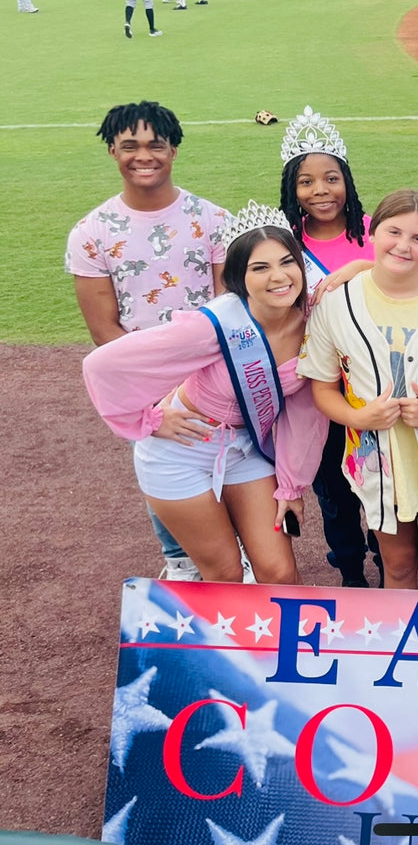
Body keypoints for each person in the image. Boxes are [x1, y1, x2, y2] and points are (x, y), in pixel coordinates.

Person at [83, 202, 327, 584]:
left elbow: (303, 412)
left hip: (244, 449)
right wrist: (150, 420)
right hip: (179, 454)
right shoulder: (214, 325)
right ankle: (231, 645)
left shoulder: (313, 321)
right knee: (225, 573)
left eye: (287, 262)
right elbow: (102, 366)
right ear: (238, 277)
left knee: (279, 570)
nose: (279, 277)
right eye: (260, 268)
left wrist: (291, 485)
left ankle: (284, 645)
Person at [66, 101, 229, 581]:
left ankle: (226, 556)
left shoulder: (214, 220)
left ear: (173, 149)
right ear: (112, 151)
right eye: (130, 145)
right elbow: (104, 331)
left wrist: (208, 382)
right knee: (164, 457)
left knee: (229, 458)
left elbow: (229, 306)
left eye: (155, 144)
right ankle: (179, 559)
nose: (144, 155)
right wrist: (157, 399)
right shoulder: (92, 232)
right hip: (147, 385)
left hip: (215, 375)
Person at [301, 189, 418, 591]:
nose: (403, 245)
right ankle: (402, 651)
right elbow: (323, 388)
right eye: (393, 231)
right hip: (377, 461)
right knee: (397, 565)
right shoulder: (336, 304)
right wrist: (357, 416)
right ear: (373, 232)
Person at [277, 106, 379, 587]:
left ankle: (388, 564)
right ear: (291, 190)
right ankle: (351, 570)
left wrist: (360, 268)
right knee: (334, 491)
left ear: (348, 181)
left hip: (375, 383)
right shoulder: (281, 244)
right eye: (306, 182)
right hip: (317, 391)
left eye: (331, 178)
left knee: (380, 485)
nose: (320, 191)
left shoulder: (376, 230)